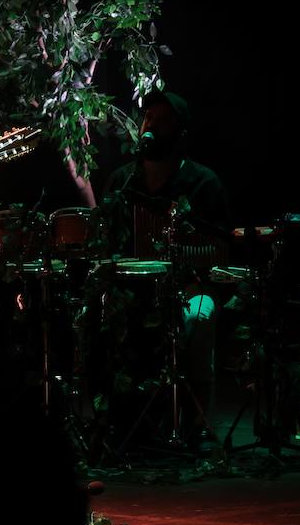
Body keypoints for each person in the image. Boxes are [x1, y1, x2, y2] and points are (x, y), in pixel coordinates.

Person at [100, 91, 233, 442]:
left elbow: (222, 252)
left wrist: (177, 256)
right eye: (148, 119)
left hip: (190, 285)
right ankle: (116, 420)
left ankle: (198, 422)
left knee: (197, 319)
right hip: (131, 288)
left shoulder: (203, 183)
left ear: (181, 133)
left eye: (162, 121)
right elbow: (103, 244)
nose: (151, 126)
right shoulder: (121, 182)